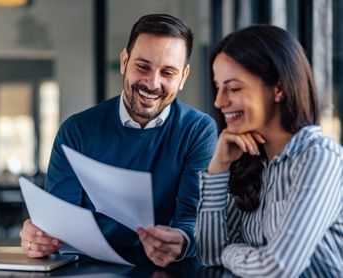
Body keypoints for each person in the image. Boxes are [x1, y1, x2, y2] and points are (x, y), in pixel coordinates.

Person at [19, 14, 217, 267]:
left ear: (183, 77)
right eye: (142, 67)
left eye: (167, 72)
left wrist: (180, 240)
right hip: (89, 268)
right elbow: (59, 222)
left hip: (170, 269)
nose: (152, 83)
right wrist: (38, 238)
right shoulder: (77, 131)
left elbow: (194, 217)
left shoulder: (198, 131)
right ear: (124, 61)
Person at [196, 25, 342, 277]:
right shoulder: (253, 162)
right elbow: (209, 255)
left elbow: (276, 267)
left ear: (279, 88)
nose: (219, 102)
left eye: (234, 88)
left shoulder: (321, 157)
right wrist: (218, 168)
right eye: (218, 87)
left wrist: (229, 252)